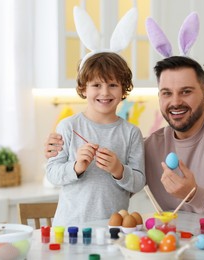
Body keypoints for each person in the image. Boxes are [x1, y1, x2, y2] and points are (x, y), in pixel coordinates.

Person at [45, 56, 204, 235]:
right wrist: (59, 154)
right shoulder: (153, 145)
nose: (175, 102)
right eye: (166, 93)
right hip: (196, 245)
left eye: (185, 92)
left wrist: (195, 194)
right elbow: (115, 181)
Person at [46, 52, 146, 226]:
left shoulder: (132, 133)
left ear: (124, 89)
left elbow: (138, 183)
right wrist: (76, 167)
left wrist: (119, 170)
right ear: (84, 88)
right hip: (71, 228)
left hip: (113, 230)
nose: (105, 92)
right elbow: (52, 173)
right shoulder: (68, 127)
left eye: (113, 85)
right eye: (96, 85)